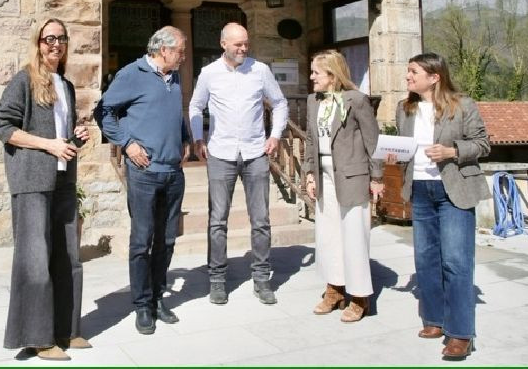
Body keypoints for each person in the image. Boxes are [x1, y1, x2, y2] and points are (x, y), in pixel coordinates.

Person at [0, 18, 91, 361]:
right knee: (35, 259)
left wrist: (76, 137)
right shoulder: (23, 80)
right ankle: (37, 337)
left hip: (63, 179)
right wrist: (49, 145)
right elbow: (3, 127)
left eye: (61, 39)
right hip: (31, 181)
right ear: (38, 43)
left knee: (68, 256)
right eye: (49, 38)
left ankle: (66, 330)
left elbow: (62, 135)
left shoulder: (65, 85)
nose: (56, 44)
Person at [391, 53, 490, 361]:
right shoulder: (404, 108)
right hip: (420, 190)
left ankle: (461, 333)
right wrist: (394, 154)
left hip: (454, 190)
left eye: (413, 71)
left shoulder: (463, 105)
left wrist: (451, 151)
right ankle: (434, 318)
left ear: (434, 77)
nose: (407, 76)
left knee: (456, 262)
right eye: (408, 71)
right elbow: (406, 150)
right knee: (426, 259)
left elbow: (483, 144)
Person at [97, 26, 191, 335]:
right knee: (142, 241)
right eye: (180, 51)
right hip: (144, 174)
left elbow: (174, 113)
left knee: (167, 240)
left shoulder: (174, 77)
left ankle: (157, 298)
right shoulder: (131, 74)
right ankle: (141, 305)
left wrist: (184, 137)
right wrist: (127, 144)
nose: (184, 56)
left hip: (172, 173)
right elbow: (103, 112)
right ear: (164, 50)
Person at [188, 22, 288, 305]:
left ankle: (262, 279)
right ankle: (217, 280)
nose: (244, 48)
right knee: (217, 221)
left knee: (261, 220)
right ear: (223, 44)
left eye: (246, 43)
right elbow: (195, 106)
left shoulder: (260, 70)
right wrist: (198, 138)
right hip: (221, 154)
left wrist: (275, 135)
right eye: (238, 44)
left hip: (255, 153)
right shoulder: (209, 73)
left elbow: (279, 103)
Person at [304, 50, 382, 323]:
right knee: (328, 236)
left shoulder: (357, 100)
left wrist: (377, 178)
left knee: (354, 236)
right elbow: (311, 140)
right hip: (324, 176)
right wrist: (310, 174)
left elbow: (373, 141)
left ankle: (360, 297)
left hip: (352, 176)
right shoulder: (312, 101)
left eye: (316, 72)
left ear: (332, 75)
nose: (311, 77)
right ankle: (334, 289)